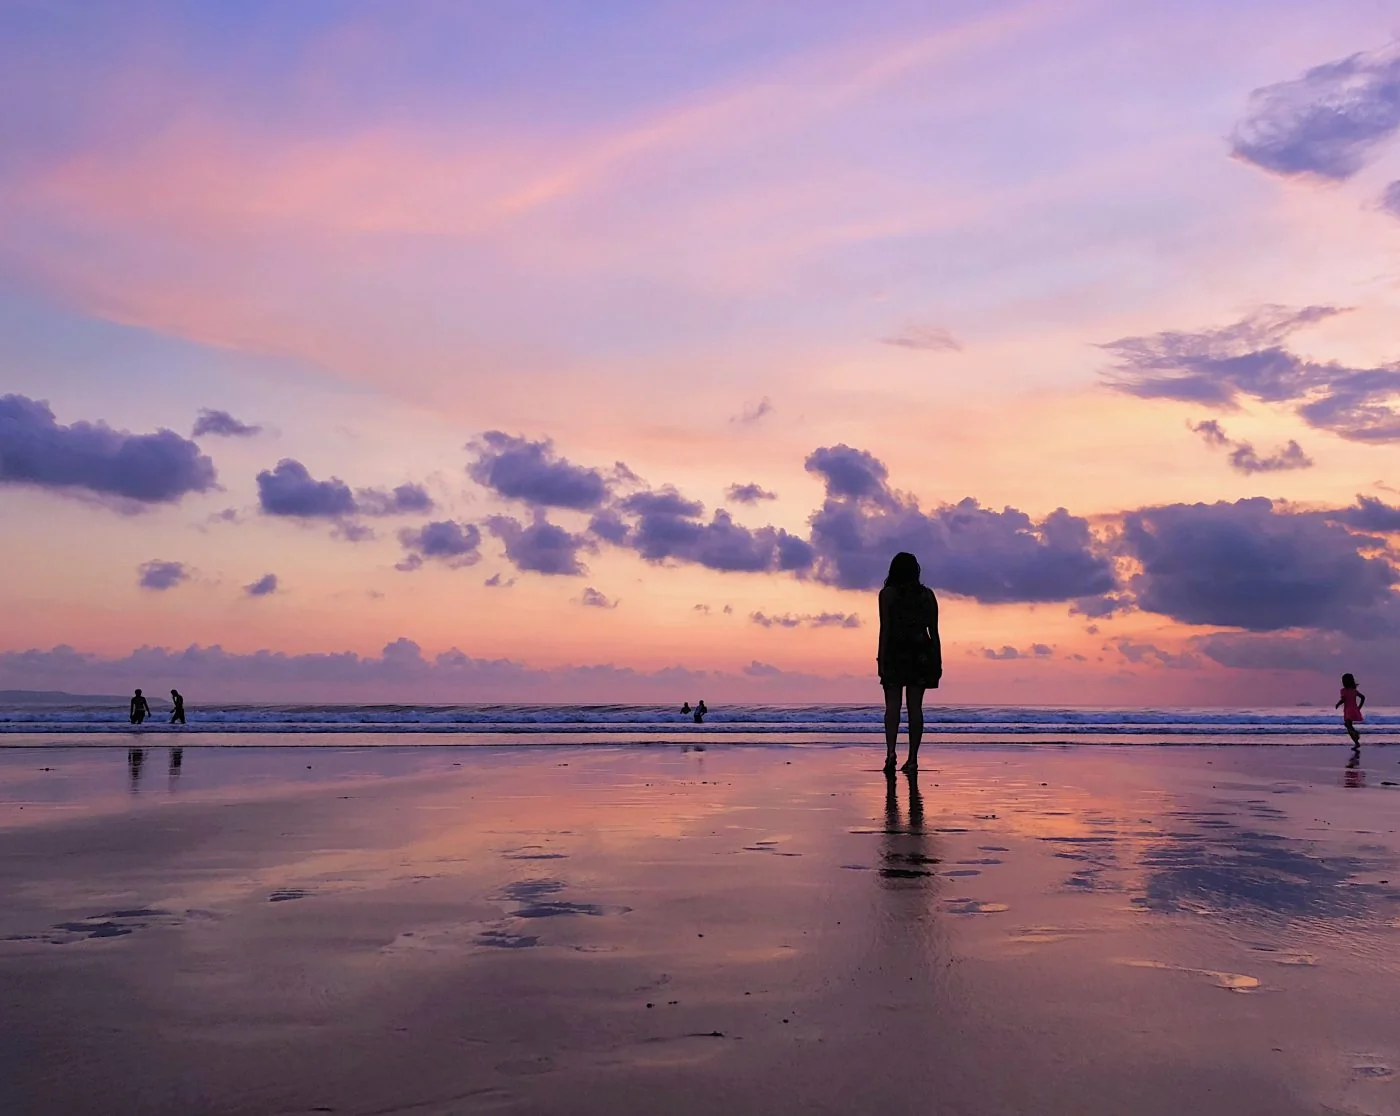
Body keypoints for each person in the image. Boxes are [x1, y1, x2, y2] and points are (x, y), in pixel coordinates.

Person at [877, 552, 941, 774]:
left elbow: (884, 629)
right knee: (916, 708)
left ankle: (891, 753)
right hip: (920, 652)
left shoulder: (887, 594)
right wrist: (937, 659)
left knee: (892, 707)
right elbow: (934, 631)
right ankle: (913, 758)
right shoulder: (928, 595)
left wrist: (880, 659)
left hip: (895, 651)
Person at [1336, 672, 1365, 746]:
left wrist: (1338, 704)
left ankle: (1356, 736)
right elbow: (1363, 697)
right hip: (1354, 710)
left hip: (1348, 711)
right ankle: (1356, 741)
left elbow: (1343, 699)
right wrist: (1359, 708)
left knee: (1348, 726)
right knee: (1348, 725)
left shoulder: (1343, 691)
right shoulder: (1354, 691)